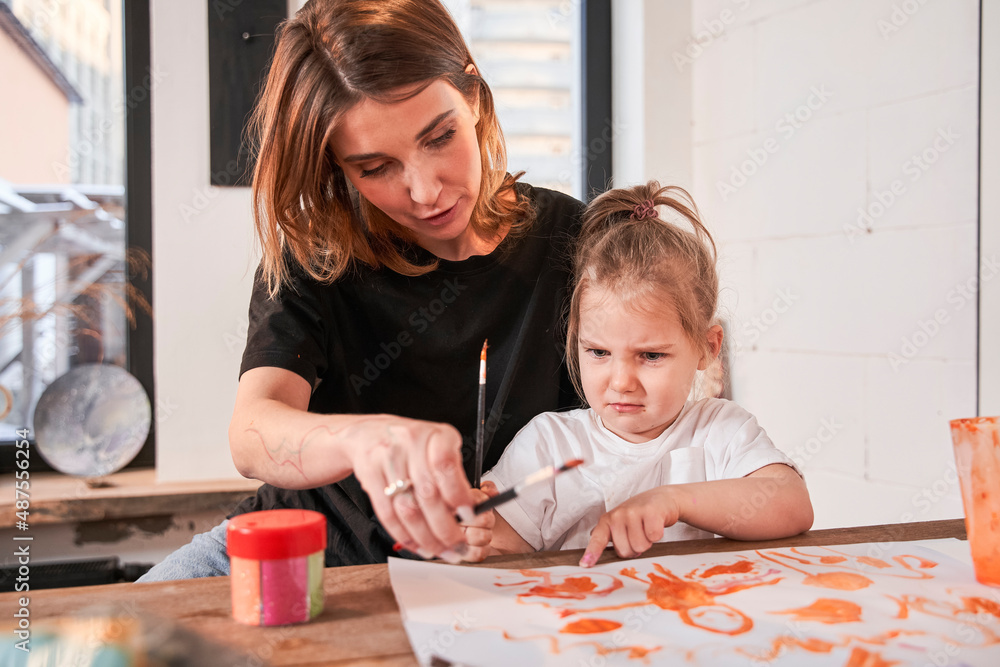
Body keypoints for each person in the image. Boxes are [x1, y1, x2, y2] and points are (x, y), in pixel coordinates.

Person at [139, 0, 583, 581]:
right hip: (307, 552)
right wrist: (362, 439)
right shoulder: (318, 253)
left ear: (472, 95)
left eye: (440, 136)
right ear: (338, 168)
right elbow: (251, 435)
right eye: (375, 168)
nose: (425, 191)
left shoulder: (573, 241)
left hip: (506, 564)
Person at [481, 182, 814, 567]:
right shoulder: (547, 444)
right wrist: (475, 537)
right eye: (598, 352)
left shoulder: (721, 431)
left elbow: (793, 505)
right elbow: (500, 549)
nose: (621, 381)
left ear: (708, 347)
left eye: (651, 355)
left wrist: (673, 501)